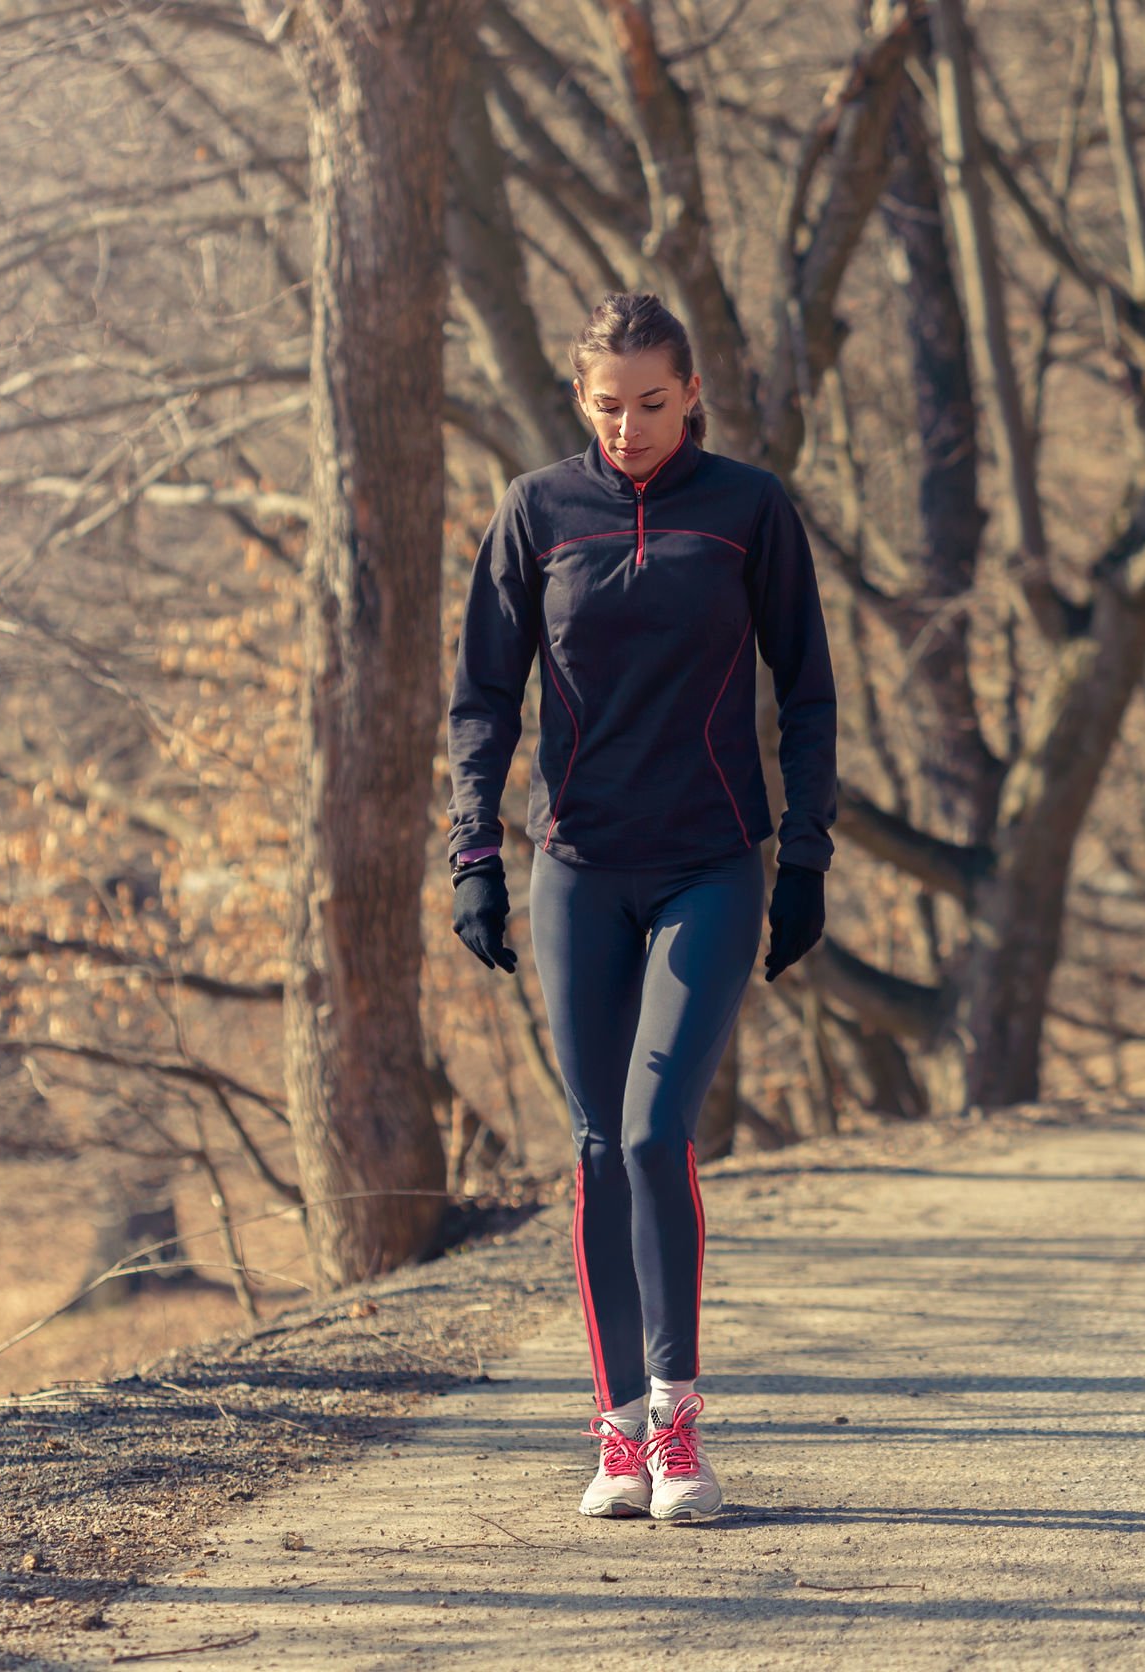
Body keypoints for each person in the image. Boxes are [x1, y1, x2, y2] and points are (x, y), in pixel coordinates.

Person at [444, 293, 837, 1523]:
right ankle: (613, 1430)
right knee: (598, 1145)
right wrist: (472, 852)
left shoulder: (747, 511)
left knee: (659, 1128)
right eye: (608, 407)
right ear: (580, 398)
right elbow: (481, 701)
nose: (629, 428)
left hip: (711, 863)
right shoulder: (536, 513)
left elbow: (810, 691)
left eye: (653, 405)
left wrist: (808, 854)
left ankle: (677, 1423)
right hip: (579, 865)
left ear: (693, 392)